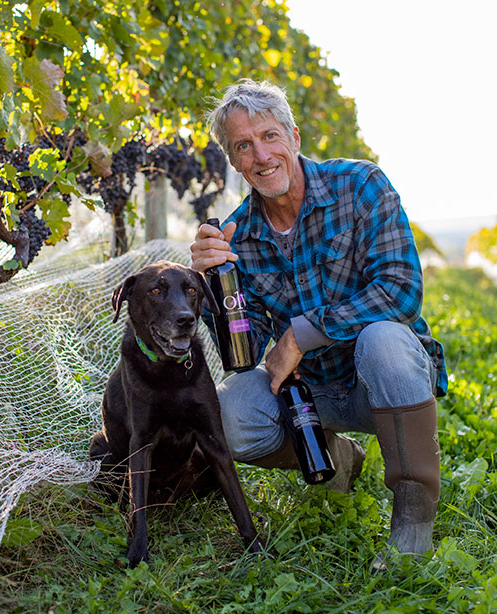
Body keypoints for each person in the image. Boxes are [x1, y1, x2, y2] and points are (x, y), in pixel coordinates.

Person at [191, 79, 447, 567]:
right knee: (230, 417)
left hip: (389, 384)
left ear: (295, 138)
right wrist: (206, 287)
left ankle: (413, 523)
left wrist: (301, 334)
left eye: (268, 136)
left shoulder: (361, 185)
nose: (260, 155)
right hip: (308, 397)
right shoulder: (236, 236)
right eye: (243, 146)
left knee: (384, 338)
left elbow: (401, 290)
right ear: (234, 160)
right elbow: (245, 351)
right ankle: (339, 458)